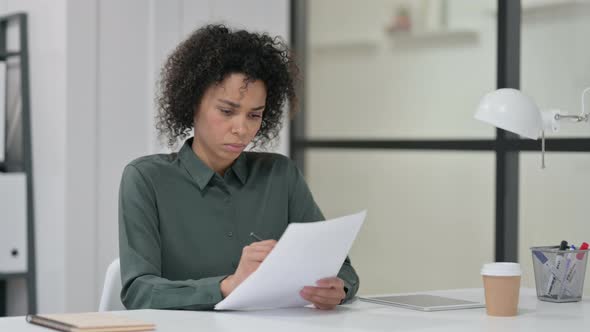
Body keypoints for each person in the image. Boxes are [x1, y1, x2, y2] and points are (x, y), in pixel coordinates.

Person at [118, 24, 359, 311]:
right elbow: (139, 291)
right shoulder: (146, 179)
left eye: (254, 115)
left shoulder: (280, 175)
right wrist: (227, 286)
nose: (242, 129)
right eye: (227, 111)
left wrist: (338, 288)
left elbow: (342, 269)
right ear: (193, 103)